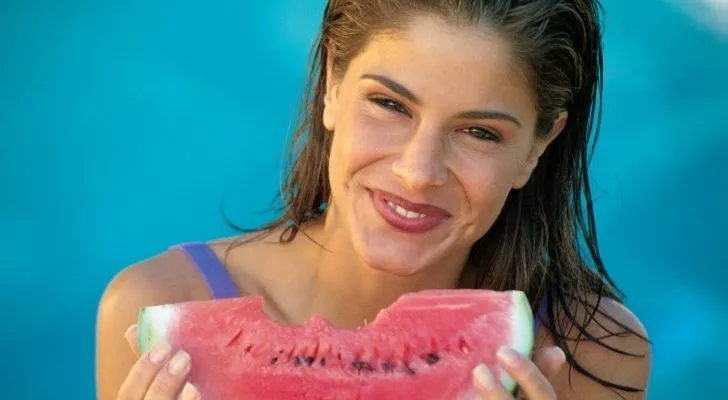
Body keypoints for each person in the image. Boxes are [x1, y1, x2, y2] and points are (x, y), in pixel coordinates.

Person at [96, 0, 652, 399]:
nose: (417, 173)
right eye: (390, 105)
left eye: (479, 133)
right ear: (333, 84)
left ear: (538, 146)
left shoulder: (597, 356)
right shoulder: (156, 306)